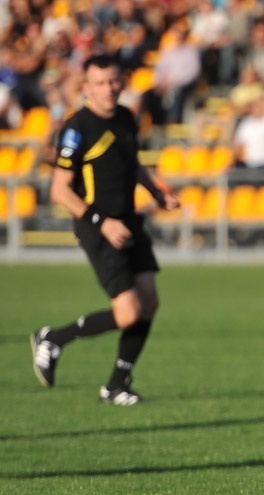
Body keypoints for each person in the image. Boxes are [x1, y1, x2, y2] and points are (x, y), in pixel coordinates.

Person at [30, 54, 180, 405]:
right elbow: (60, 190)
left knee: (150, 302)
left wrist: (157, 193)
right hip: (98, 227)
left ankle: (117, 384)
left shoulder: (127, 117)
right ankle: (54, 338)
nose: (109, 89)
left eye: (113, 81)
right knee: (128, 311)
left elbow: (134, 163)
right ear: (86, 87)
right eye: (100, 83)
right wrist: (102, 221)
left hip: (129, 221)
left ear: (122, 82)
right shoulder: (77, 128)